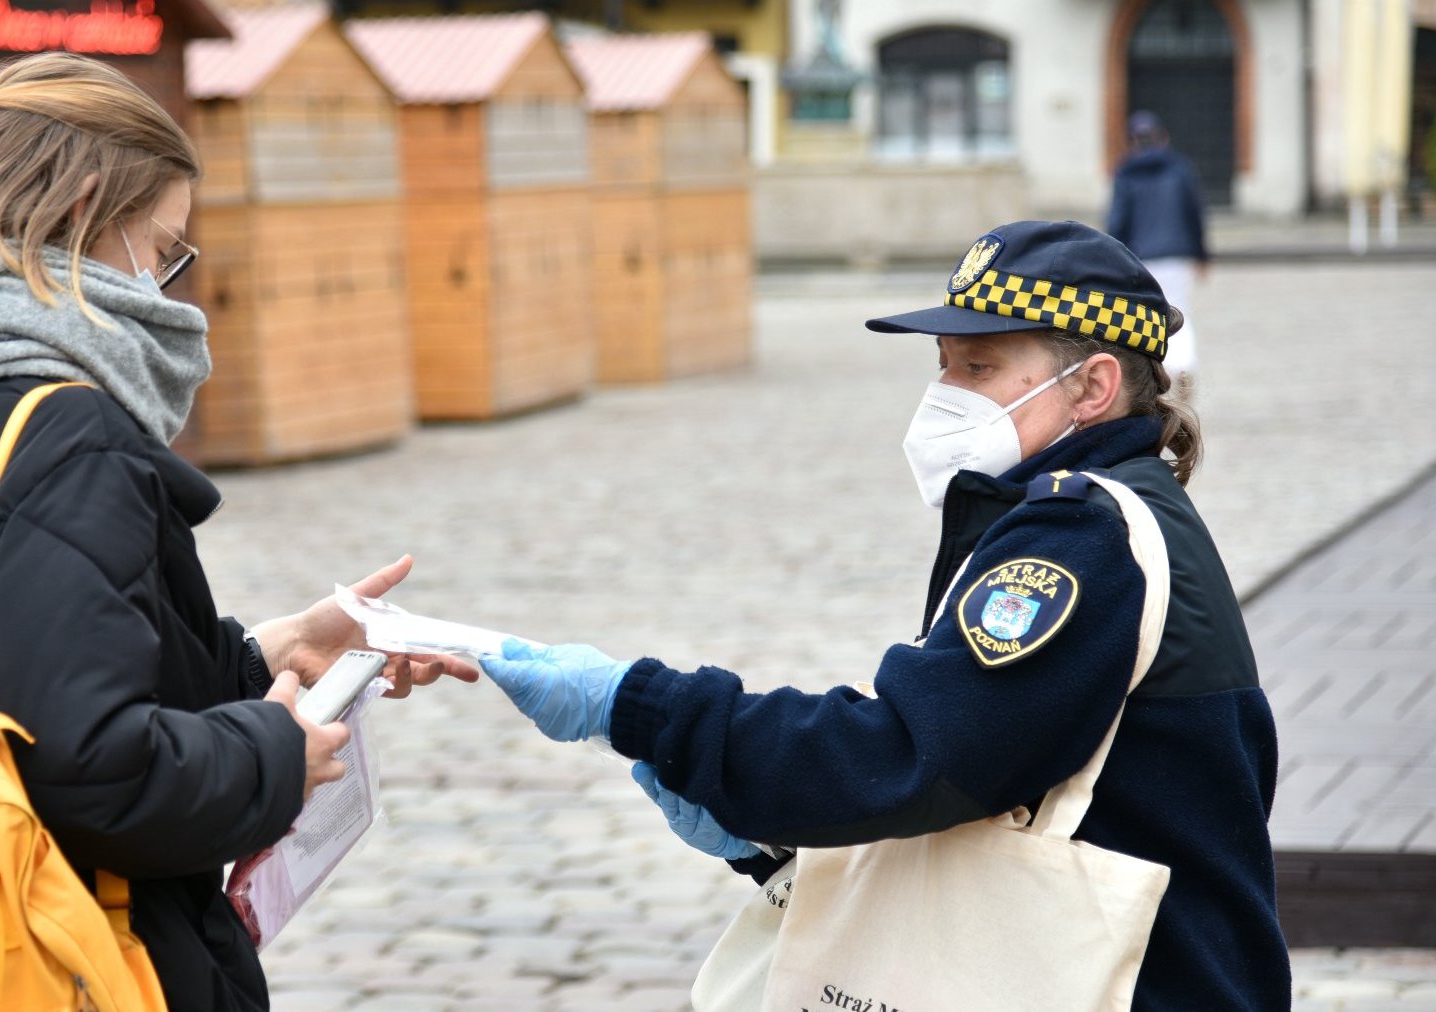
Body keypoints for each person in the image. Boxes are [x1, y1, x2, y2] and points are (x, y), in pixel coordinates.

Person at [0, 53, 471, 1012]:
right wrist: (275, 752)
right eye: (166, 245)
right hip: (19, 953)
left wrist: (264, 654)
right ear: (90, 210)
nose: (169, 287)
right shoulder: (67, 430)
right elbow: (92, 771)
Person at [479, 221, 1290, 1009]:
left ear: (1093, 387)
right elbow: (1003, 768)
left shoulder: (1082, 534)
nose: (946, 394)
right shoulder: (1106, 508)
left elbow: (914, 755)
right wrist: (768, 847)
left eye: (979, 365)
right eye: (943, 366)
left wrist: (644, 705)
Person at [1107, 110, 1210, 399]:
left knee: (1151, 318)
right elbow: (1195, 215)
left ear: (1130, 141)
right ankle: (1184, 364)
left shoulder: (1125, 172)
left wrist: (1114, 261)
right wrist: (1201, 253)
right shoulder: (1180, 168)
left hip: (1142, 258)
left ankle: (1161, 371)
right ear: (1162, 138)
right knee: (1180, 310)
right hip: (1177, 254)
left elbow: (1118, 221)